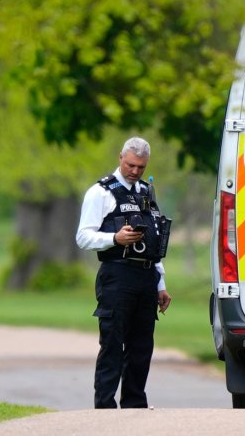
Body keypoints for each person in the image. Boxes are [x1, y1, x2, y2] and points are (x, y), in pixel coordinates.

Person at [76, 136, 172, 409]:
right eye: (130, 164)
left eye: (140, 167)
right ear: (120, 158)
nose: (134, 171)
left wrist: (160, 284)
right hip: (117, 276)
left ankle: (134, 405)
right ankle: (105, 407)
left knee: (142, 346)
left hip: (146, 276)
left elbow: (153, 241)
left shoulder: (146, 192)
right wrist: (114, 239)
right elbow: (83, 237)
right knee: (112, 343)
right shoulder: (101, 192)